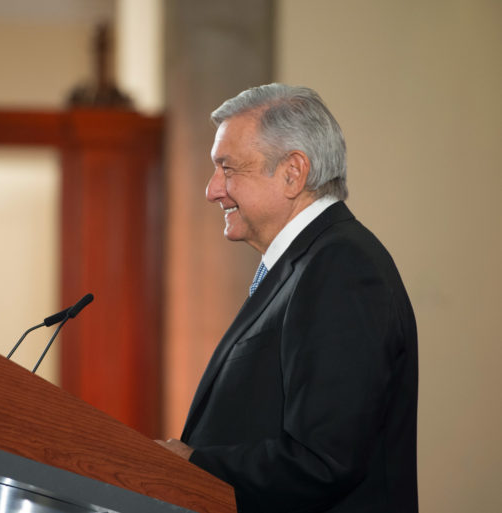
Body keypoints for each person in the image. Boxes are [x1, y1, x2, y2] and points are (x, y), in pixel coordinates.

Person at [156, 84, 418, 512]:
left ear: (293, 173)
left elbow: (325, 459)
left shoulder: (342, 267)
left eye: (227, 168)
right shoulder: (311, 262)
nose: (212, 190)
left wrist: (194, 463)